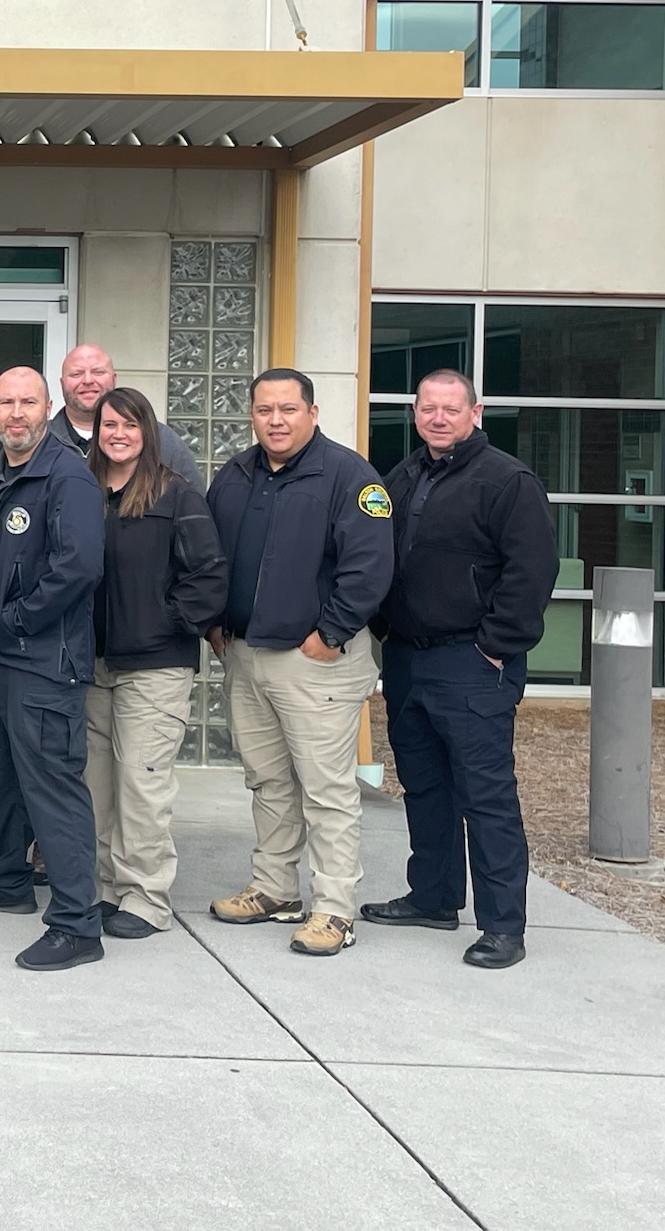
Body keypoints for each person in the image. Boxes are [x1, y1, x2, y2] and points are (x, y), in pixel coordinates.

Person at [363, 370, 558, 971]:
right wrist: (382, 624)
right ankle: (434, 897)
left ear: (476, 411)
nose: (439, 418)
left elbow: (531, 572)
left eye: (451, 408)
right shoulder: (404, 475)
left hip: (471, 662)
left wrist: (495, 645)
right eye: (428, 408)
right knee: (424, 787)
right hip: (408, 658)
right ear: (415, 413)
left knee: (486, 796)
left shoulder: (506, 480)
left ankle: (503, 926)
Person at [206, 368, 393, 958]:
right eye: (265, 410)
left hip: (317, 661)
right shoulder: (235, 474)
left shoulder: (350, 476)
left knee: (326, 788)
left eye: (288, 409)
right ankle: (274, 889)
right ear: (253, 415)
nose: (276, 420)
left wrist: (330, 634)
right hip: (247, 653)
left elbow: (370, 566)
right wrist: (214, 621)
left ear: (313, 413)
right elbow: (209, 554)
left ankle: (335, 909)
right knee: (268, 780)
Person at [0, 367, 106, 973]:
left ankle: (77, 923)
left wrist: (14, 619)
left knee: (53, 790)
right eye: (5, 402)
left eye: (28, 402)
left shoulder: (67, 477)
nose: (16, 413)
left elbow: (77, 567)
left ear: (48, 407)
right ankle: (7, 878)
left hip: (44, 662)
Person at [84, 387, 228, 939]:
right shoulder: (83, 491)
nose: (117, 434)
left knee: (142, 785)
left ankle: (145, 899)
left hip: (155, 667)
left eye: (129, 425)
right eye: (108, 425)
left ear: (147, 432)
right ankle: (104, 889)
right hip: (93, 665)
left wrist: (167, 621)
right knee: (95, 786)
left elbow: (209, 577)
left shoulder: (177, 495)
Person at [48, 344, 201, 486]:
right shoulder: (40, 441)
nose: (88, 380)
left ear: (114, 379)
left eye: (98, 372)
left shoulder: (161, 439)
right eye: (76, 374)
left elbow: (193, 501)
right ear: (62, 384)